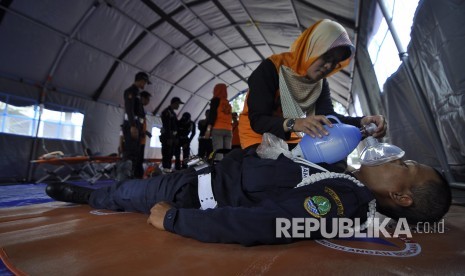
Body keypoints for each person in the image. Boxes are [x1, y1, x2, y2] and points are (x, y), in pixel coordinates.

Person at [46, 148, 451, 246]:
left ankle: (79, 194)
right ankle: (87, 193)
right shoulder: (342, 175)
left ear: (400, 197)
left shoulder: (343, 197)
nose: (396, 157)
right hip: (204, 174)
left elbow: (270, 222)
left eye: (407, 166)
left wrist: (173, 220)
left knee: (123, 194)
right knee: (125, 191)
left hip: (190, 195)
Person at [238, 19, 387, 151]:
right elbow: (258, 121)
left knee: (326, 167)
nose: (329, 66)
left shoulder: (320, 83)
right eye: (327, 56)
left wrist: (361, 121)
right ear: (313, 48)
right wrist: (295, 123)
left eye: (335, 62)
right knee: (280, 174)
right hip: (257, 138)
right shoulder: (273, 68)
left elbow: (329, 118)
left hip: (290, 138)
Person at [122, 71, 152, 178]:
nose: (145, 85)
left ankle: (132, 177)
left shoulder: (137, 93)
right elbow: (129, 110)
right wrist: (133, 126)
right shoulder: (130, 92)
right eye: (144, 82)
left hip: (137, 126)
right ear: (140, 80)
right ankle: (125, 179)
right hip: (132, 126)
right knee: (130, 153)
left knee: (136, 154)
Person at [204, 83, 232, 160]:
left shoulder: (215, 100)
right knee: (227, 153)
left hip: (218, 129)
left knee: (218, 152)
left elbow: (212, 115)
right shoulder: (227, 102)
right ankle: (228, 170)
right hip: (228, 130)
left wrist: (208, 130)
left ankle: (219, 171)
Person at [160, 97, 184, 173]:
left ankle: (168, 170)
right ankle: (165, 171)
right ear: (174, 103)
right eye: (178, 104)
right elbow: (167, 126)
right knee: (166, 155)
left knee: (170, 155)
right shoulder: (166, 112)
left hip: (172, 137)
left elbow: (175, 127)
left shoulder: (173, 113)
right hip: (167, 138)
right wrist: (169, 138)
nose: (178, 106)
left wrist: (175, 138)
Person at [136, 91, 152, 178]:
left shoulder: (141, 108)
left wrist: (145, 132)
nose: (148, 101)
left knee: (140, 159)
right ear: (143, 98)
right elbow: (137, 123)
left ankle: (139, 175)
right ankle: (137, 176)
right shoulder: (138, 107)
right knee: (138, 159)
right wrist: (144, 132)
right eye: (147, 99)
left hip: (142, 140)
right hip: (138, 139)